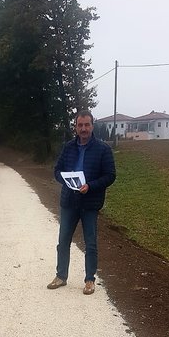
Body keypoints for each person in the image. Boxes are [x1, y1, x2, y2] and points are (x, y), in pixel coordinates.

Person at [47, 110, 116, 295]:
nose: (83, 128)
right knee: (63, 241)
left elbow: (110, 175)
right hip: (69, 201)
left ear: (92, 126)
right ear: (75, 127)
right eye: (80, 125)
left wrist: (90, 186)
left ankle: (89, 280)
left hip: (90, 202)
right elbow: (57, 170)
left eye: (87, 125)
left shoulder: (103, 149)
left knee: (90, 243)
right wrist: (67, 180)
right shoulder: (68, 147)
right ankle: (61, 276)